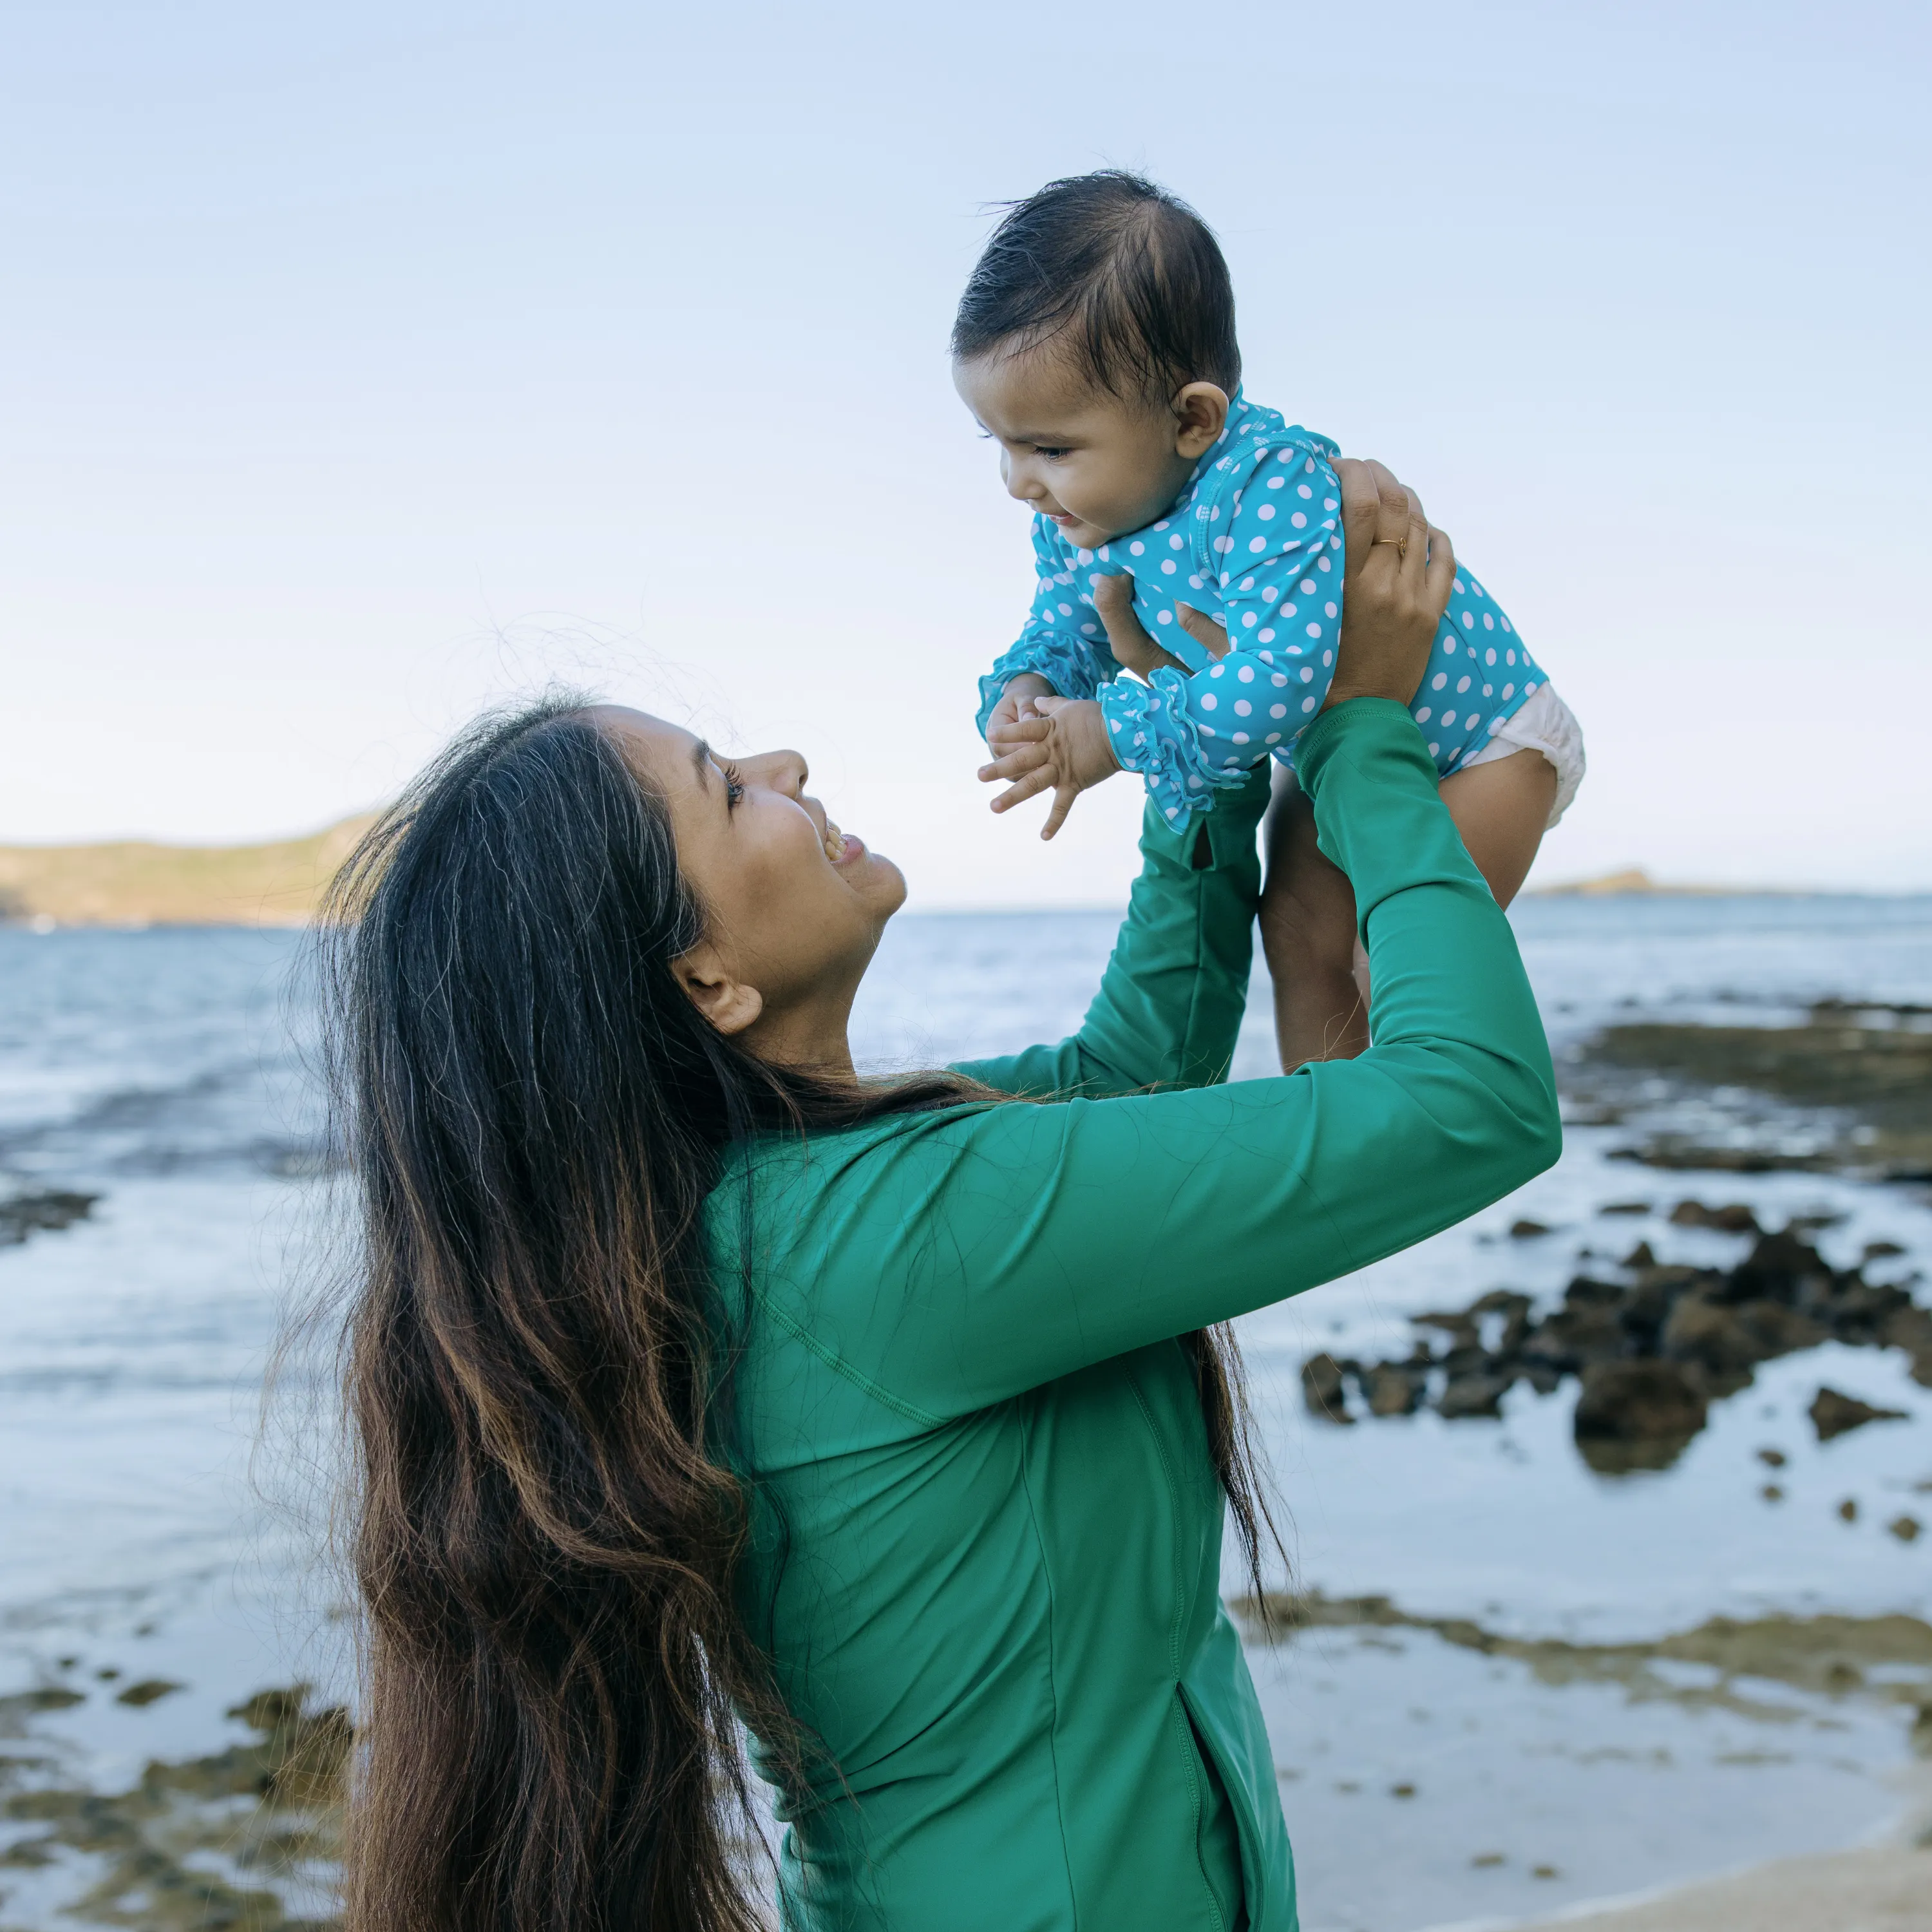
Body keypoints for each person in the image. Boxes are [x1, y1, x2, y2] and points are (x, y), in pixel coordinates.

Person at [323, 460, 1560, 1932]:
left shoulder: (775, 1212)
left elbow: (1130, 1071)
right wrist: (1363, 728)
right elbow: (1469, 1098)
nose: (784, 767)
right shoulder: (888, 1232)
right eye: (729, 790)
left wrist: (1203, 756)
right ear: (704, 982)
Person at [959, 171, 1586, 1068]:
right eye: (1004, 446)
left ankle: (1411, 1130)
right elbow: (1066, 628)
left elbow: (1277, 685)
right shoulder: (1083, 518)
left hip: (1487, 745)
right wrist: (1031, 692)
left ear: (1194, 419)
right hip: (1339, 744)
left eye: (1051, 448)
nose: (1020, 483)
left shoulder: (1267, 483)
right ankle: (1339, 1160)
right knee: (1295, 935)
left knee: (1390, 959)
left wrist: (1111, 735)